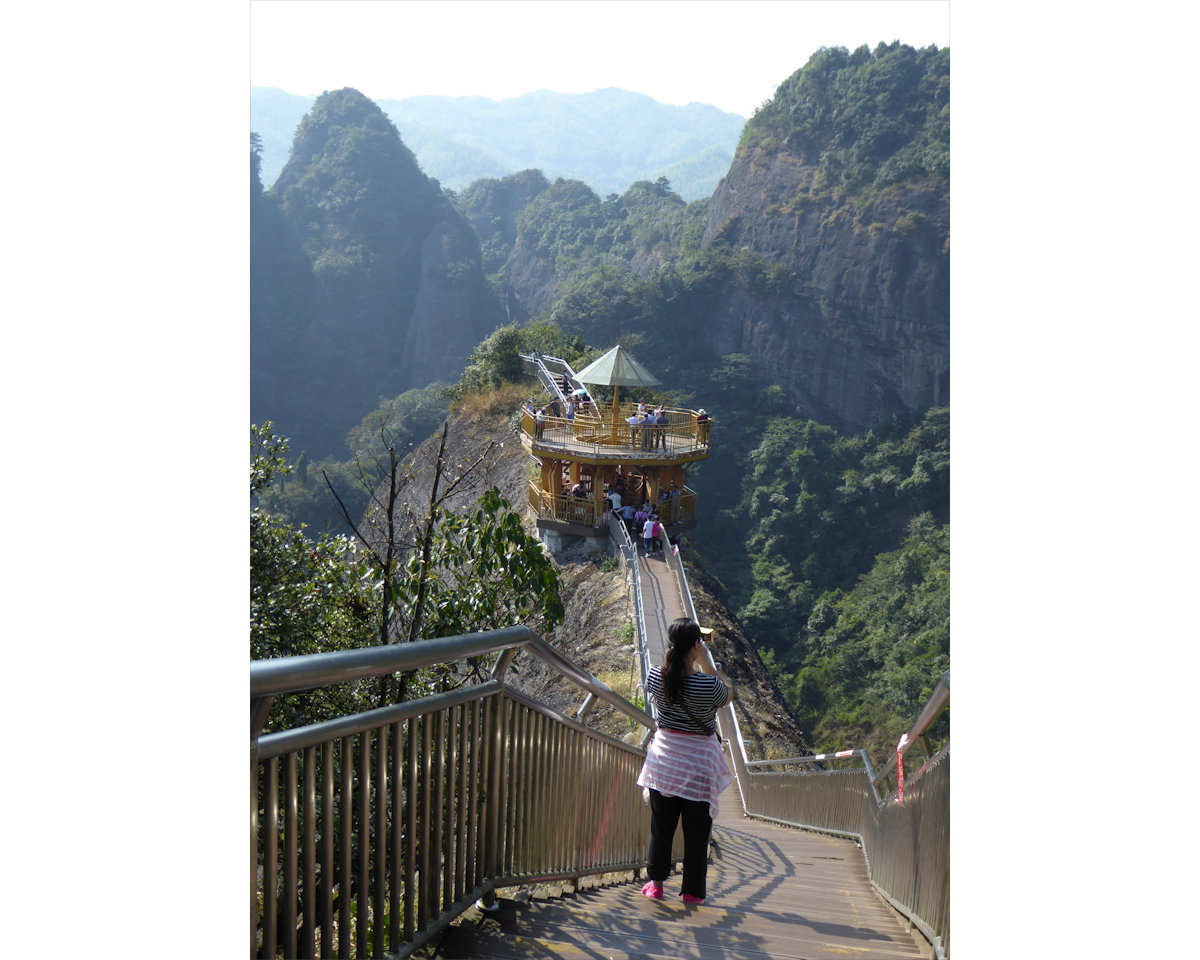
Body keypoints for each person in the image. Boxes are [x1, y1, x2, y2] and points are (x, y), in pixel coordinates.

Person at [637, 618, 733, 904]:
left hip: (664, 764)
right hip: (698, 768)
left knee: (661, 827)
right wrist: (706, 662)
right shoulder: (707, 685)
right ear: (696, 644)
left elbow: (667, 681)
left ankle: (655, 885)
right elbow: (726, 696)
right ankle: (692, 893)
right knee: (696, 833)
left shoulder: (656, 676)